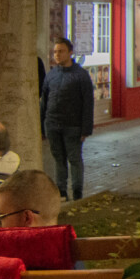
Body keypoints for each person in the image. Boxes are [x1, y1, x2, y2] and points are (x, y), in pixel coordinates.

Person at [41, 37, 94, 201]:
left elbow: (87, 103)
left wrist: (85, 129)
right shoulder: (51, 75)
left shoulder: (81, 75)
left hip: (73, 126)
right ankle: (61, 191)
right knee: (59, 159)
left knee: (74, 159)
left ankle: (77, 192)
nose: (57, 55)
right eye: (55, 51)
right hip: (53, 124)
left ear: (70, 53)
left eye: (61, 51)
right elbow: (45, 99)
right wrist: (42, 125)